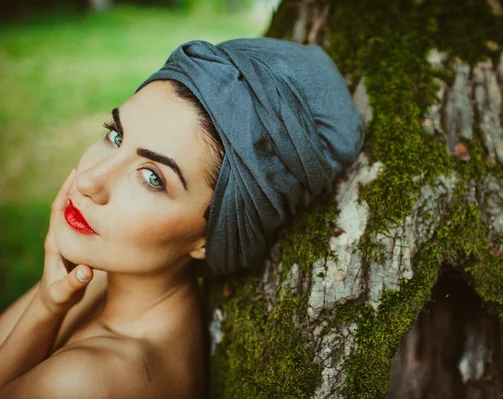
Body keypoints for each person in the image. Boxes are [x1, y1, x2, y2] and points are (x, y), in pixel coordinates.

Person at [0, 37, 364, 398]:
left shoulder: (80, 383)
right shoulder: (99, 274)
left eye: (152, 177)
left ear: (211, 236)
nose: (89, 180)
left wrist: (45, 312)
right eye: (115, 136)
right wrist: (47, 307)